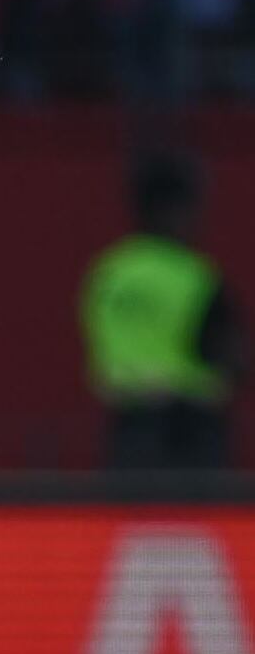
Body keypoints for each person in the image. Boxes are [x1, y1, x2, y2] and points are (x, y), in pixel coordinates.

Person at [82, 150, 240, 473]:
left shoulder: (109, 273)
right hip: (191, 434)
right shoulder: (194, 276)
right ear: (171, 209)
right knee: (197, 524)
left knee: (132, 521)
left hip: (128, 430)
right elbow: (229, 355)